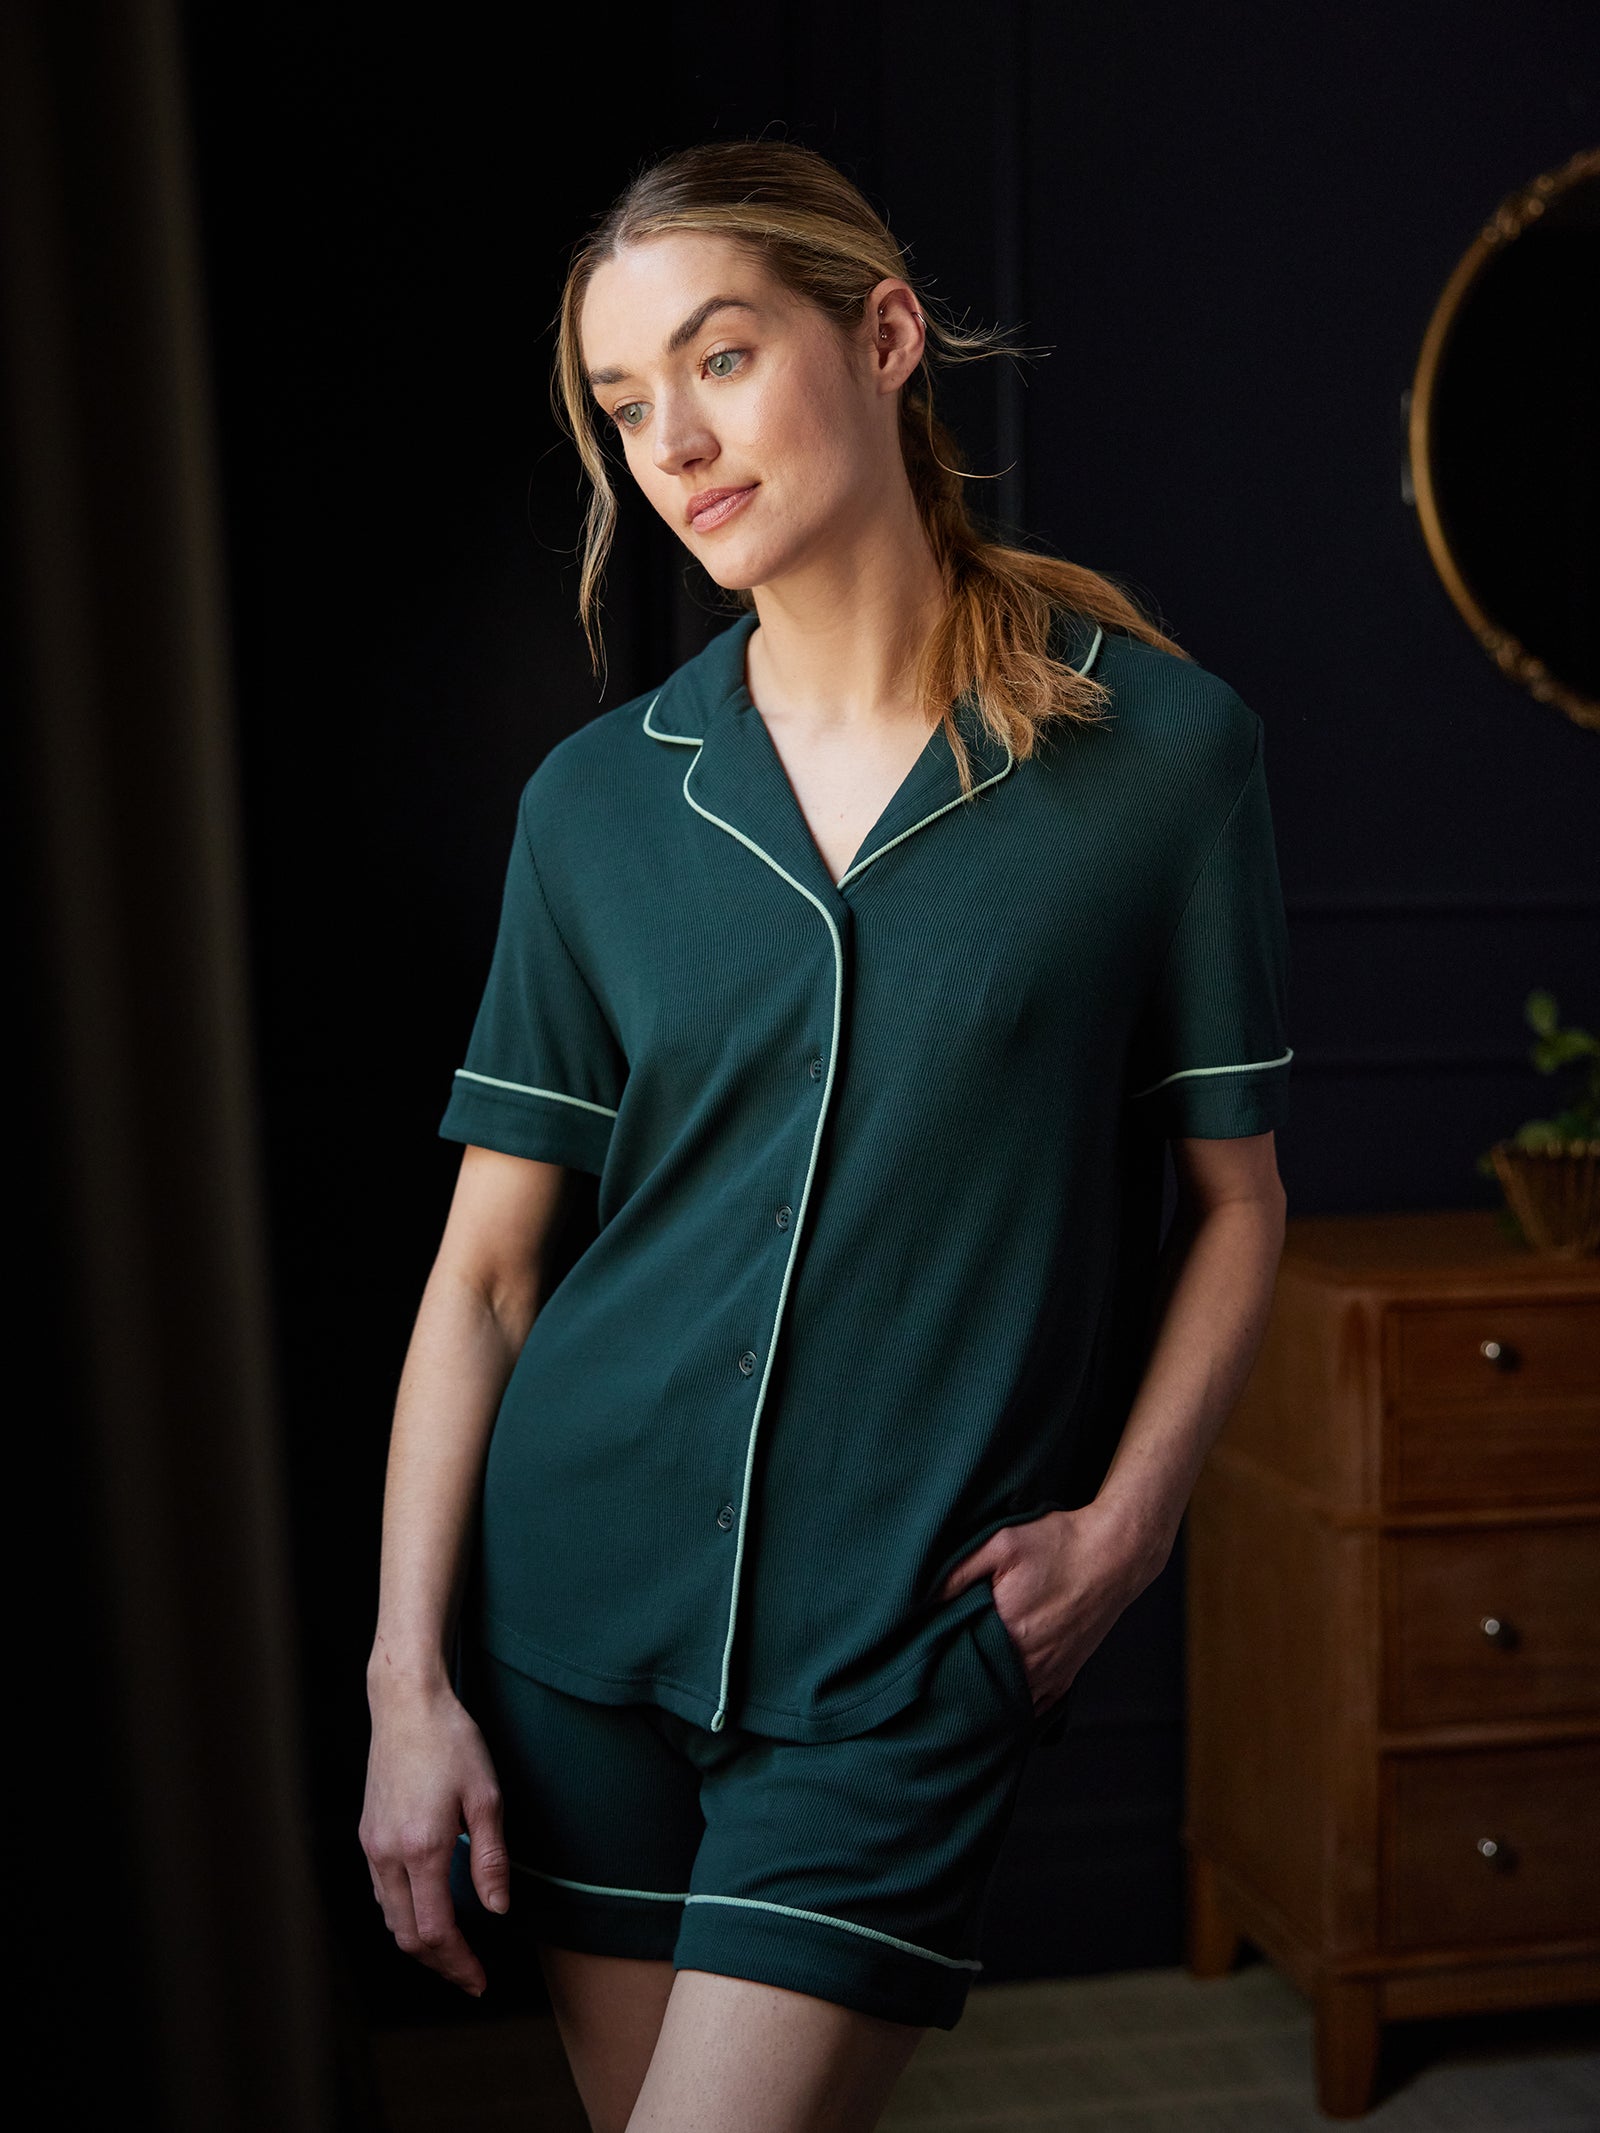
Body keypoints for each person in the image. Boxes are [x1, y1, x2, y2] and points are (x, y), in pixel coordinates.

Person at [359, 138, 1292, 2133]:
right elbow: (487, 1271)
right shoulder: (598, 806)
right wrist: (404, 1688)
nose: (671, 441)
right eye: (624, 403)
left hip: (899, 1656)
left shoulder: (1159, 759)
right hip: (573, 1634)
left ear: (878, 337)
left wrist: (1121, 1534)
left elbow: (1232, 1199)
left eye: (714, 358)